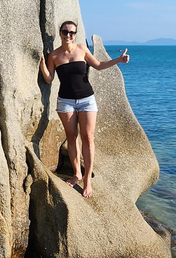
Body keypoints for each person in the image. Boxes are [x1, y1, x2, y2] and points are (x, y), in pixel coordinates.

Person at [39, 21, 129, 198]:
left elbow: (98, 65)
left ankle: (87, 179)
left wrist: (118, 60)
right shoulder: (54, 55)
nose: (68, 35)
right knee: (71, 137)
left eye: (72, 32)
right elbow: (49, 78)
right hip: (65, 101)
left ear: (76, 34)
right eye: (65, 31)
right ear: (60, 33)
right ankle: (76, 174)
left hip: (87, 99)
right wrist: (42, 62)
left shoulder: (82, 49)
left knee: (88, 137)